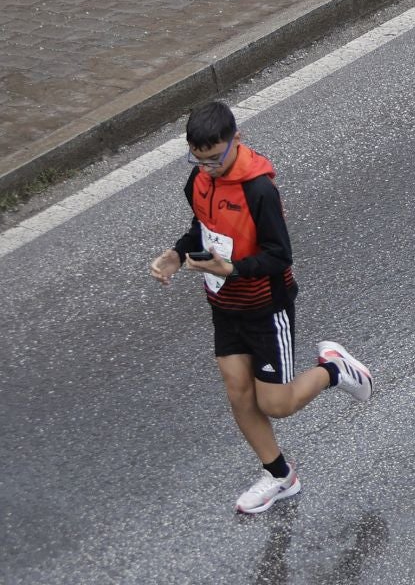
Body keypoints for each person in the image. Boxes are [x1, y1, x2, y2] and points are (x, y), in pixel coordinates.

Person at [147, 102, 374, 515]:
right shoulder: (197, 181)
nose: (208, 167)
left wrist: (232, 268)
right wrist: (177, 255)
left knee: (276, 405)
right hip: (223, 303)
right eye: (198, 159)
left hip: (267, 307)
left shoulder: (259, 190)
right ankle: (280, 476)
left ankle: (335, 370)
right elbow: (202, 227)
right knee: (238, 393)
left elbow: (279, 256)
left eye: (215, 158)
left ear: (238, 138)